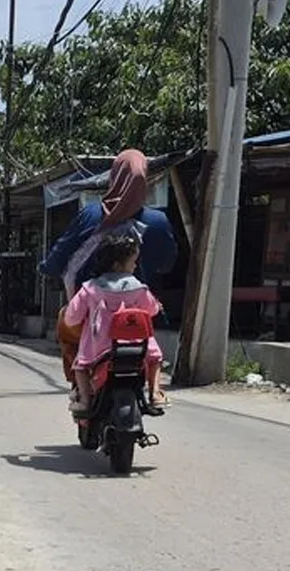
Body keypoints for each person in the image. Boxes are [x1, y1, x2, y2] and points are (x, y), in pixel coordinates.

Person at [41, 150, 178, 383]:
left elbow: (60, 255)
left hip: (88, 317)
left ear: (114, 178)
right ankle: (154, 392)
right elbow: (166, 265)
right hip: (136, 318)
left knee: (67, 332)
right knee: (151, 349)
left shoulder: (90, 214)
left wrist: (48, 268)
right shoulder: (158, 221)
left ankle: (80, 391)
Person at [58, 232, 165, 417]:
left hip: (100, 349)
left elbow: (71, 318)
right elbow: (152, 310)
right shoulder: (139, 287)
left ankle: (84, 400)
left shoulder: (90, 288)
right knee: (155, 361)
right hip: (139, 347)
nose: (135, 265)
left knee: (80, 367)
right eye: (133, 261)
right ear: (118, 264)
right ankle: (155, 393)